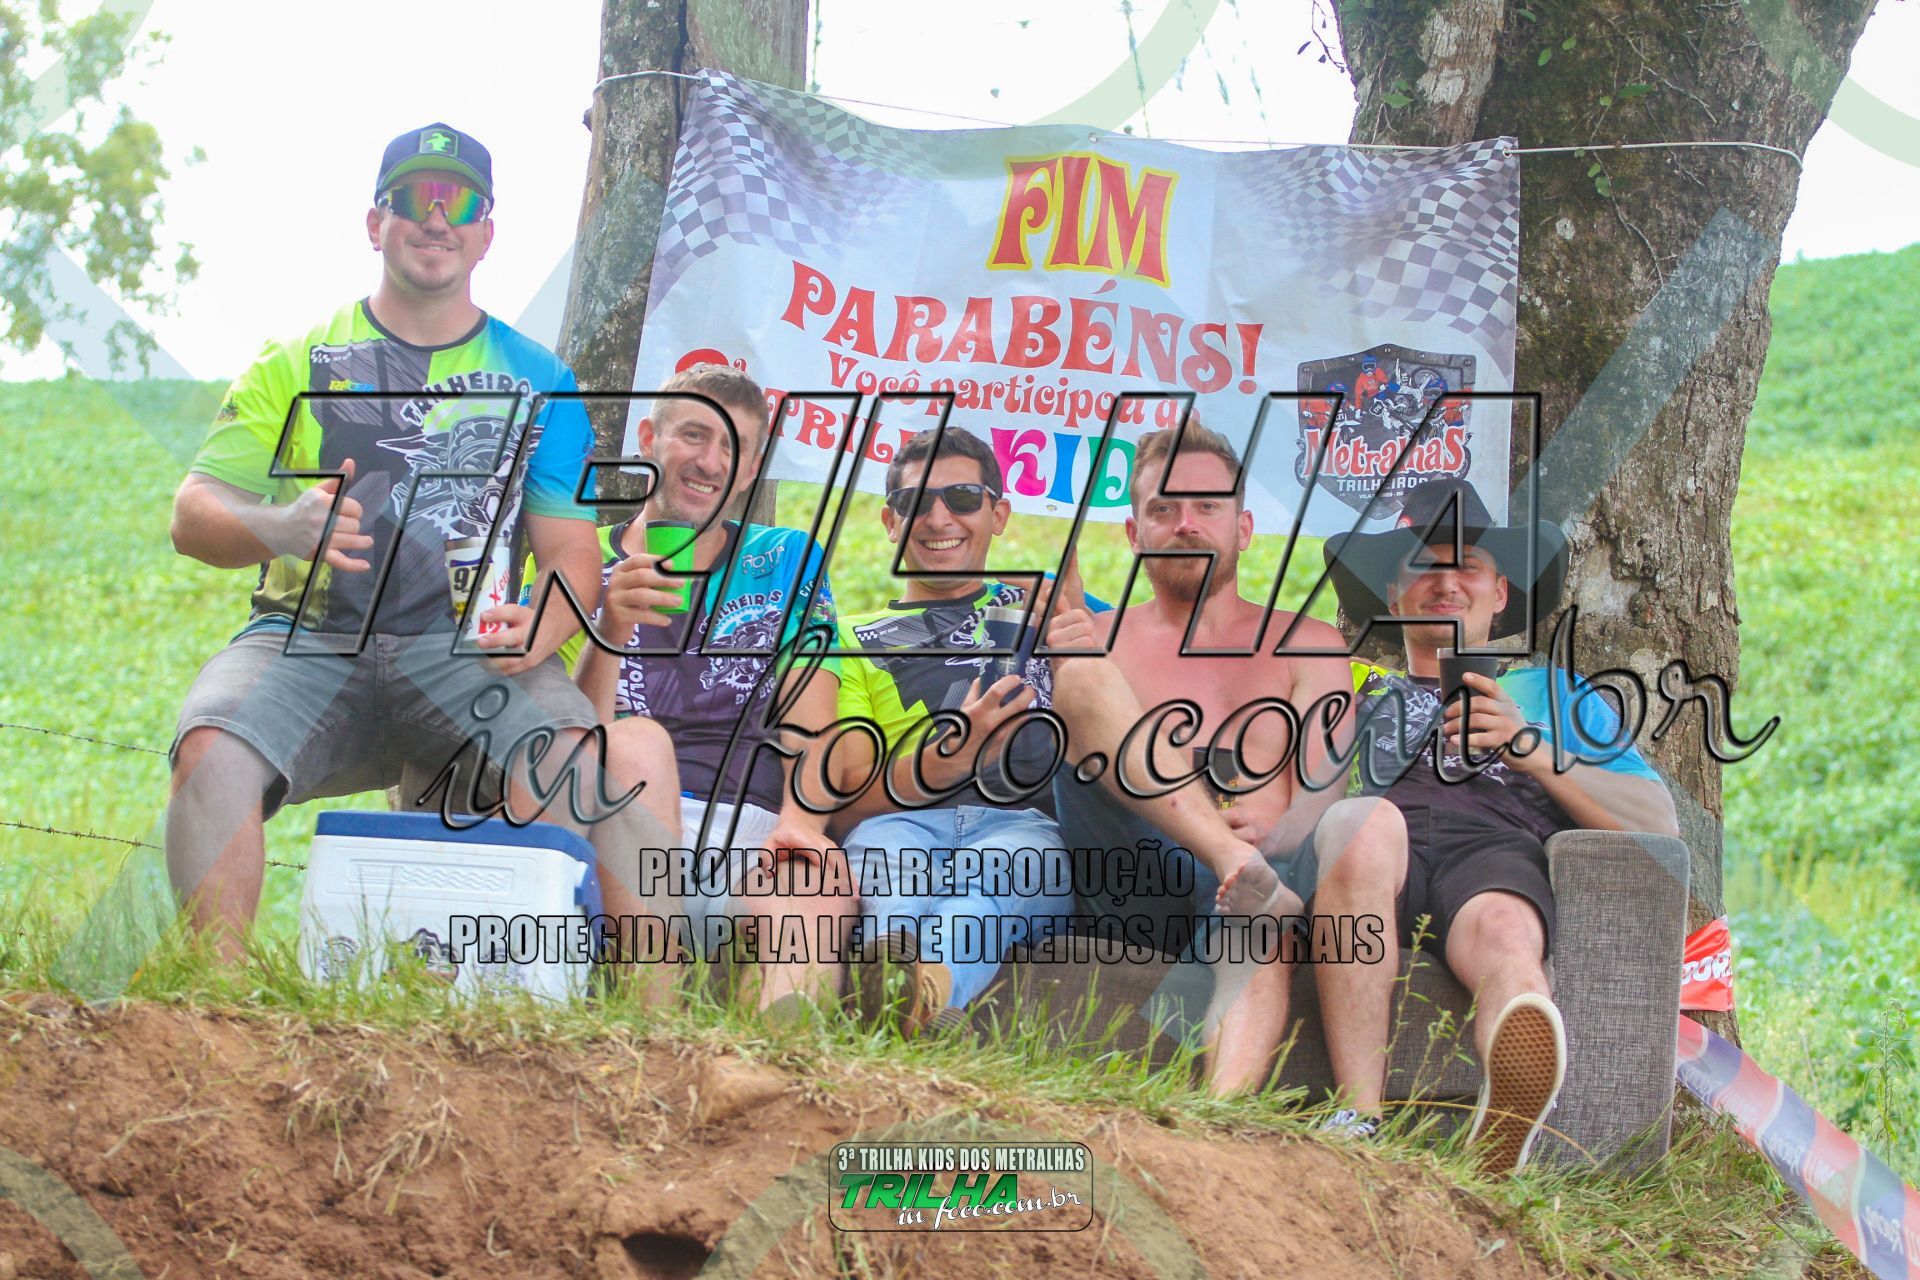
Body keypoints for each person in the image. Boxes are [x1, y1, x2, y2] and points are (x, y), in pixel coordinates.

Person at [165, 123, 674, 960]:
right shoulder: (295, 359)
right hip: (307, 639)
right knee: (210, 745)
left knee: (570, 755)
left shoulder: (541, 379)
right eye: (414, 199)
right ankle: (211, 1002)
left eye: (461, 203)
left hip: (467, 650)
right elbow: (192, 514)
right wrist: (278, 526)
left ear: (486, 234)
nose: (438, 219)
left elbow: (572, 554)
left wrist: (542, 629)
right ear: (377, 224)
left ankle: (553, 1000)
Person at [1301, 476, 1679, 1171]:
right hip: (1374, 857)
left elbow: (1658, 826)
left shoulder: (1552, 694)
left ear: (1499, 592)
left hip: (1493, 855)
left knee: (1507, 930)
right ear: (1393, 593)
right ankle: (1358, 1116)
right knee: (1363, 822)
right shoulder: (1346, 685)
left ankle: (1508, 1116)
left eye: (1467, 565)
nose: (1446, 581)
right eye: (1424, 564)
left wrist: (1527, 746)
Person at [1045, 419, 1355, 1093]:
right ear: (1135, 534)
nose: (1186, 524)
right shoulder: (1096, 637)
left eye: (1207, 506)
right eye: (1164, 509)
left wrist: (1279, 831)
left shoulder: (1308, 644)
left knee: (1258, 907)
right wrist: (1061, 656)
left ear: (1243, 529)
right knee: (1083, 677)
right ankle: (1232, 859)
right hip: (1135, 877)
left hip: (1263, 881)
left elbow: (1323, 785)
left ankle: (1221, 1115)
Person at [567, 363, 849, 1011]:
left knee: (812, 886)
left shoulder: (785, 558)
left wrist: (799, 826)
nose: (712, 461)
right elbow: (566, 737)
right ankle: (654, 1025)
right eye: (694, 434)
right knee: (637, 743)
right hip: (621, 828)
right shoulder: (579, 563)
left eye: (734, 447)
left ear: (750, 471)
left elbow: (812, 713)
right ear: (649, 438)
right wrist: (610, 626)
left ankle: (774, 1060)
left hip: (753, 829)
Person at [827, 427, 1079, 1035]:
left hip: (1026, 825)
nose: (939, 517)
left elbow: (1116, 704)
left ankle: (905, 996)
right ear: (890, 521)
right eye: (916, 502)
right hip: (899, 822)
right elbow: (844, 800)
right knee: (892, 867)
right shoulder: (848, 638)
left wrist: (1075, 623)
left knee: (1001, 869)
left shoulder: (1051, 607)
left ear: (999, 514)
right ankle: (919, 1000)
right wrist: (952, 757)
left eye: (963, 498)